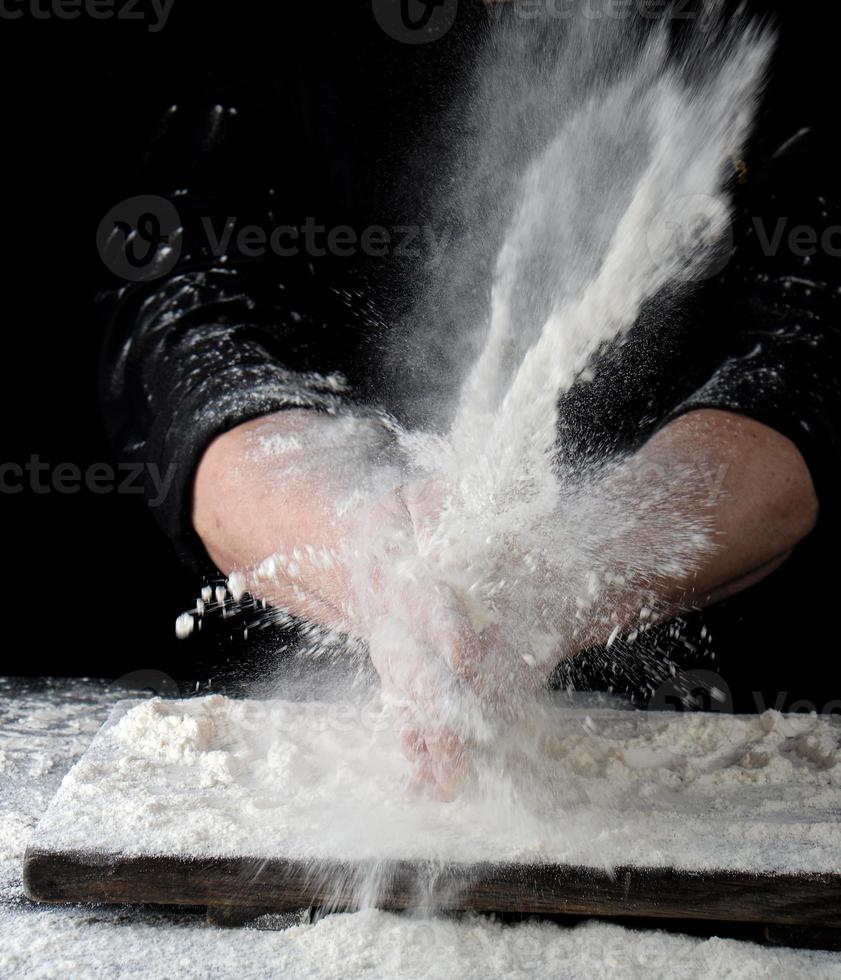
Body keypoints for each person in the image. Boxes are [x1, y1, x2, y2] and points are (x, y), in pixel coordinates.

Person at [96, 1, 839, 796]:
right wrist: (362, 548)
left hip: (724, 737)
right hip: (294, 750)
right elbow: (186, 318)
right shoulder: (276, 41)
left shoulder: (758, 34)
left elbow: (808, 340)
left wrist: (581, 563)